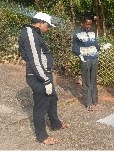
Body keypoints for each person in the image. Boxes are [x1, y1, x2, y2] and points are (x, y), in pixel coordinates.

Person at [18, 12, 68, 144]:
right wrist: (45, 79)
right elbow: (34, 60)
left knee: (52, 99)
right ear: (40, 23)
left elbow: (41, 55)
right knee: (41, 106)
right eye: (47, 25)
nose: (48, 28)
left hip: (44, 73)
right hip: (38, 76)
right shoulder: (30, 34)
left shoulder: (35, 33)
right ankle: (42, 137)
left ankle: (55, 123)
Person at [71, 16, 100, 111]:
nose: (88, 26)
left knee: (94, 80)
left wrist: (100, 49)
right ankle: (88, 103)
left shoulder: (92, 32)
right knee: (86, 81)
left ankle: (95, 100)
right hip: (85, 59)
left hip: (94, 58)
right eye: (87, 24)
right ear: (82, 23)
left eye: (90, 24)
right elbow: (74, 48)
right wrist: (80, 55)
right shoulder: (77, 34)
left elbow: (95, 44)